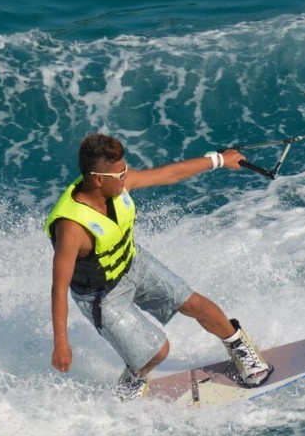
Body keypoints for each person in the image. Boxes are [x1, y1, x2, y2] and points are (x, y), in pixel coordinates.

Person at [46, 133, 272, 400]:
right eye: (120, 174)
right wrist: (61, 342)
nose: (126, 176)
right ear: (97, 179)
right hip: (101, 296)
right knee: (156, 352)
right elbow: (59, 288)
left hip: (133, 263)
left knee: (196, 304)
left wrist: (220, 159)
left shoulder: (118, 182)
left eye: (125, 169)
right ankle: (132, 379)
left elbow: (170, 174)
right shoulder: (72, 227)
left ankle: (239, 348)